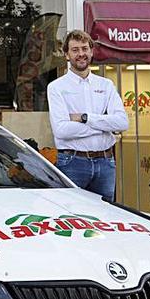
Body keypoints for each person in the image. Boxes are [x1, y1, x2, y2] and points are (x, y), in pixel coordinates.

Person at [46, 29, 128, 201]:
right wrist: (104, 127)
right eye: (75, 50)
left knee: (105, 219)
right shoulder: (56, 87)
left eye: (84, 49)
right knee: (72, 216)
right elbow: (61, 130)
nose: (81, 54)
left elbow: (122, 122)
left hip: (105, 162)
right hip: (72, 162)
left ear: (91, 52)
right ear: (67, 55)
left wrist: (86, 118)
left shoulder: (106, 85)